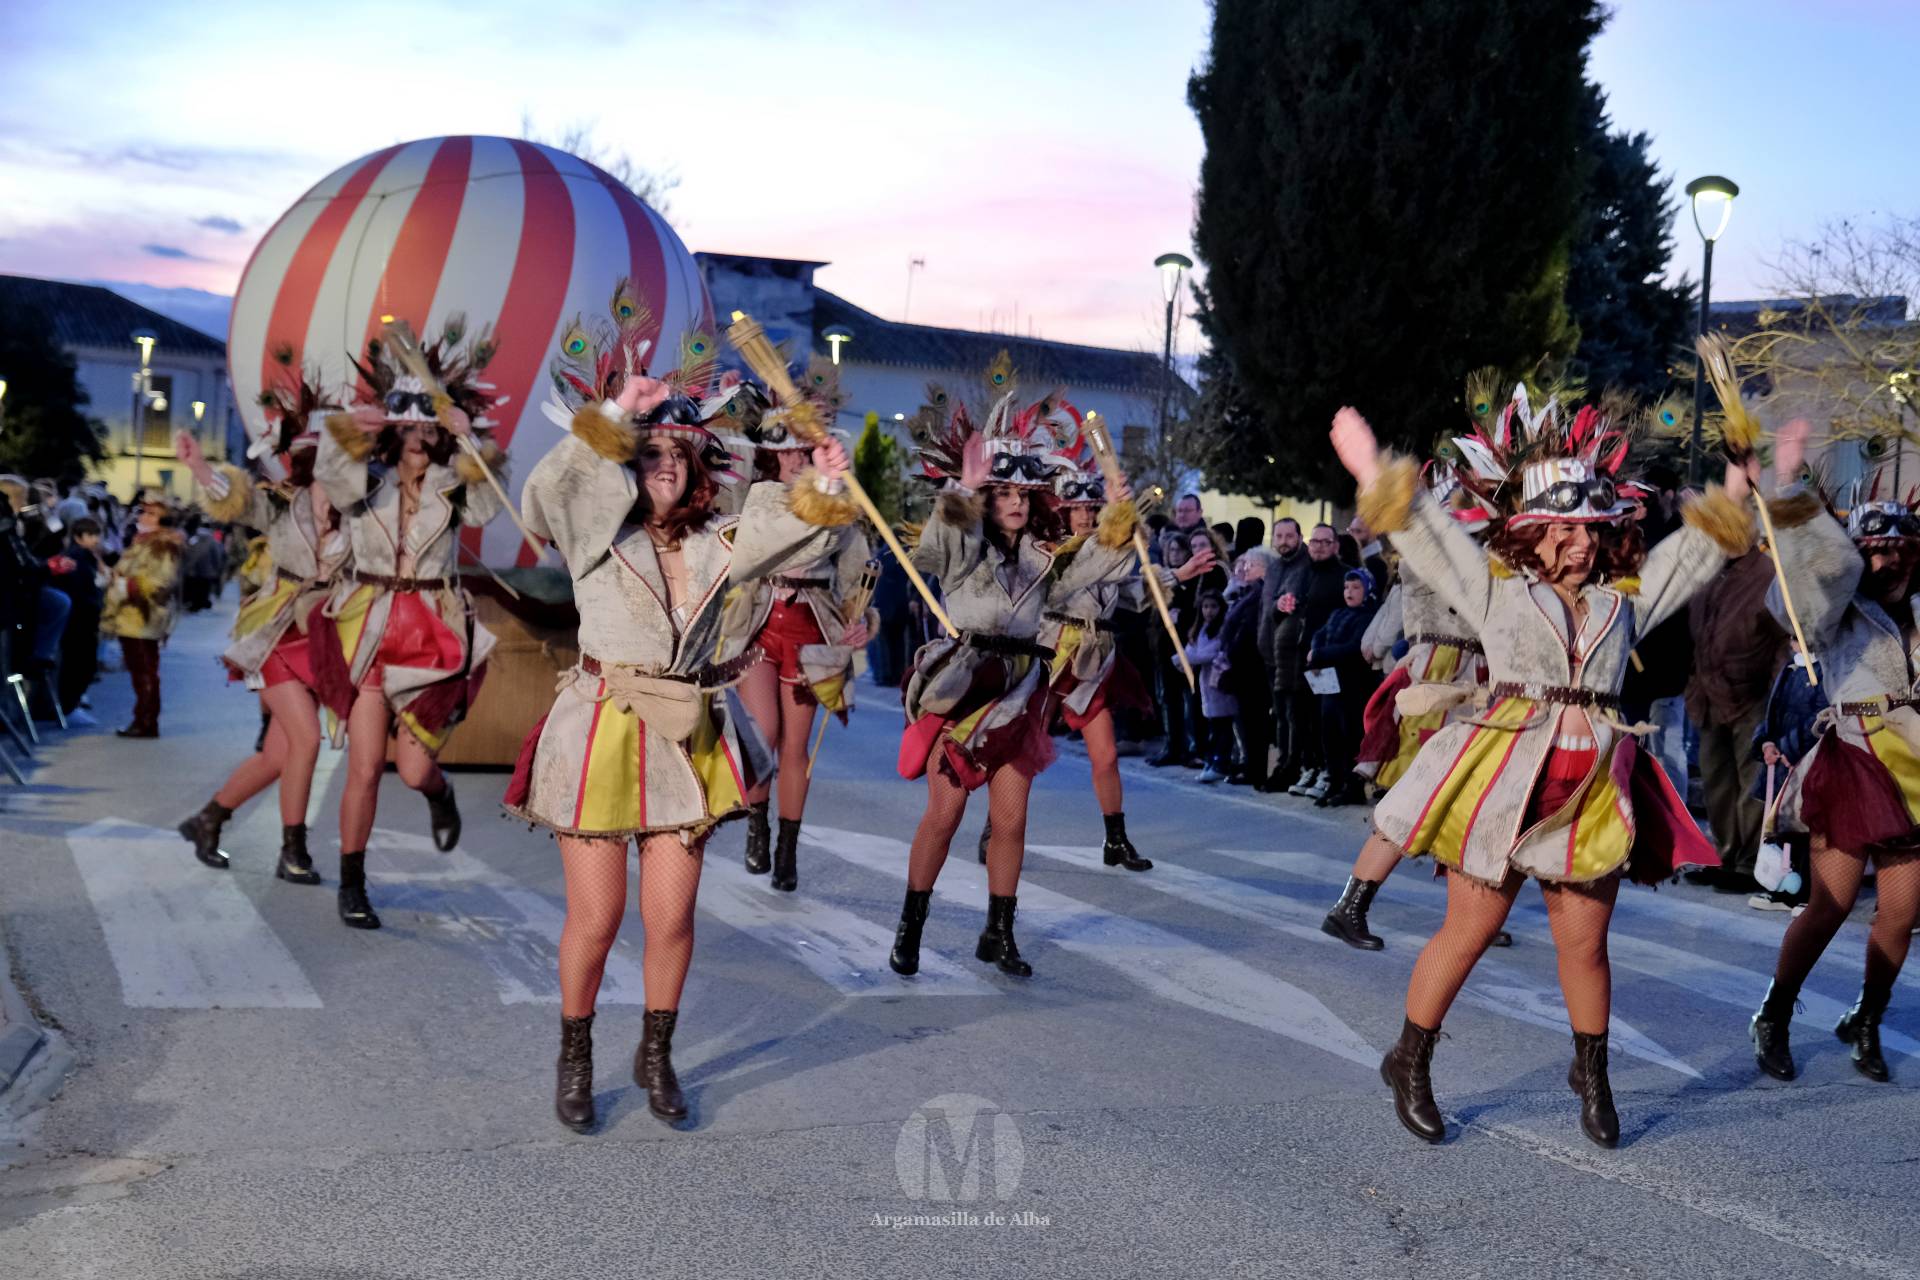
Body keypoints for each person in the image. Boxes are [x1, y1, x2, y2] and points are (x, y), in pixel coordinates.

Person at [1331, 383, 1765, 1149]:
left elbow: (1692, 554)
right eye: (1563, 529)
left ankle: (1592, 1077)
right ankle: (1409, 1058)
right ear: (1529, 532)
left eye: (1592, 530)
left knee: (1586, 944)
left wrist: (1738, 484)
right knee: (1468, 932)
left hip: (1591, 786)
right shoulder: (1495, 588)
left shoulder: (1620, 600)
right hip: (1503, 780)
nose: (1581, 544)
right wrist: (1374, 471)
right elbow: (1431, 535)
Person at [504, 300, 859, 1131]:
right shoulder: (595, 529)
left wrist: (827, 481)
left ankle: (656, 1054)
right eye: (651, 448)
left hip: (687, 735)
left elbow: (802, 535)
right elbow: (545, 495)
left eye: (680, 450)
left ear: (701, 465)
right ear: (631, 460)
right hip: (598, 725)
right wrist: (613, 418)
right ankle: (576, 1056)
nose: (666, 460)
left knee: (672, 918)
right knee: (598, 918)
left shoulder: (722, 541)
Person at [886, 389, 1141, 979]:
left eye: (1024, 493)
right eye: (1002, 491)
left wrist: (1117, 520)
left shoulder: (1046, 557)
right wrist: (957, 493)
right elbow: (933, 547)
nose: (1017, 502)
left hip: (1021, 693)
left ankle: (998, 933)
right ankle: (910, 928)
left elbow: (1102, 565)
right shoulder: (962, 549)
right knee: (943, 819)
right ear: (983, 495)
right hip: (964, 688)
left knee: (1011, 822)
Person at [310, 318, 507, 929]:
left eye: (429, 421)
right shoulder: (365, 479)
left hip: (431, 634)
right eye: (409, 421)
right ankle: (352, 882)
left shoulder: (455, 484)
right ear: (394, 427)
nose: (419, 432)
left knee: (415, 768)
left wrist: (472, 441)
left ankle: (439, 794)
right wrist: (351, 432)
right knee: (365, 765)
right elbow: (331, 482)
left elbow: (488, 503)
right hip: (369, 626)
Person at [1750, 431, 1920, 1084]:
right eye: (1877, 550)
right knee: (1831, 904)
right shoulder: (1838, 608)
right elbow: (1785, 604)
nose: (1891, 562)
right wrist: (1792, 500)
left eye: (1902, 550)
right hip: (1851, 760)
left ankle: (1868, 1018)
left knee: (1903, 912)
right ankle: (1776, 1010)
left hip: (1912, 766)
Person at [171, 360, 350, 885]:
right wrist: (201, 468)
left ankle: (208, 819)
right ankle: (292, 851)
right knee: (307, 741)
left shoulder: (360, 512)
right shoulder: (278, 506)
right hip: (276, 634)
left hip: (327, 640)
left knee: (278, 755)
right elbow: (237, 500)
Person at [1326, 457, 1496, 950]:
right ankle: (1351, 904)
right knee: (1419, 797)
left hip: (1473, 677)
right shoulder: (1432, 553)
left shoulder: (1473, 553)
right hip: (1438, 677)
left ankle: (1475, 911)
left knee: (1474, 796)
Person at [730, 363, 873, 892]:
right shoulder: (760, 498)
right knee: (763, 733)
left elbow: (858, 576)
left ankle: (788, 848)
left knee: (798, 746)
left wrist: (861, 623)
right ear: (771, 451)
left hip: (813, 626)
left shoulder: (840, 505)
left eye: (802, 448)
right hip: (759, 620)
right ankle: (757, 826)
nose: (793, 457)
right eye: (784, 448)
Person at [1036, 449, 1198, 869]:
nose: (1087, 517)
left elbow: (1129, 589)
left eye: (1093, 508)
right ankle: (996, 828)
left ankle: (1115, 839)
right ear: (1064, 513)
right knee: (1025, 745)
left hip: (1094, 658)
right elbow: (1095, 567)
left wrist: (1176, 575)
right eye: (1079, 510)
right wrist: (1120, 531)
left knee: (1106, 756)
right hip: (1052, 651)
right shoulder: (1053, 553)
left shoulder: (1104, 550)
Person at [101, 497, 185, 738]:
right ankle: (144, 719)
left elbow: (162, 582)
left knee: (144, 669)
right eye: (144, 512)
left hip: (142, 615)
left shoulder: (162, 546)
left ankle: (146, 721)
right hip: (132, 615)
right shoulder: (145, 542)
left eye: (151, 514)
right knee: (141, 669)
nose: (143, 518)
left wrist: (125, 586)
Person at [1305, 567, 1382, 807]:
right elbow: (1320, 633)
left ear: (1367, 590)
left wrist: (1319, 654)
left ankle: (1353, 786)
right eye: (1347, 587)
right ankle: (1334, 782)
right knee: (1331, 737)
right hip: (1330, 686)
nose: (1349, 592)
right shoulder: (1338, 613)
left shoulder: (1368, 617)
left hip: (1353, 687)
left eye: (1356, 587)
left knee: (1351, 737)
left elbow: (1353, 648)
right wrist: (1316, 649)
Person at [1282, 523, 1348, 799]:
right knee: (1301, 717)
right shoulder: (1302, 573)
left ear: (1335, 545)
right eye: (1315, 541)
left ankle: (1329, 771)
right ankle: (1308, 766)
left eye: (1325, 541)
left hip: (1327, 659)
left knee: (1326, 721)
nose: (1319, 546)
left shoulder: (1343, 575)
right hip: (1299, 656)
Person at [1259, 518, 1310, 790]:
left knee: (1292, 716)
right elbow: (1266, 610)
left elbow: (1292, 607)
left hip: (1292, 656)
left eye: (1289, 535)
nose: (1284, 541)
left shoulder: (1305, 565)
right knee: (1280, 715)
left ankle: (1290, 767)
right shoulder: (1274, 566)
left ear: (1300, 537)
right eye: (1279, 536)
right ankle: (1281, 764)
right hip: (1271, 653)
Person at [50, 516, 106, 724]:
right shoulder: (76, 559)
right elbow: (81, 591)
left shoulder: (86, 557)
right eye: (91, 535)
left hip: (83, 618)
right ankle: (68, 708)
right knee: (78, 665)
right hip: (79, 619)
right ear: (78, 536)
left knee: (82, 664)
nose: (95, 539)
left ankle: (70, 705)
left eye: (96, 535)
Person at [1185, 588, 1238, 781]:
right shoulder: (1200, 628)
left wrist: (1184, 658)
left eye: (1213, 606)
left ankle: (1221, 763)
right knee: (1213, 727)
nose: (1209, 611)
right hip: (1206, 684)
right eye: (1205, 606)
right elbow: (1191, 650)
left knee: (1222, 728)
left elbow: (1209, 653)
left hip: (1220, 682)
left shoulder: (1222, 629)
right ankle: (1212, 760)